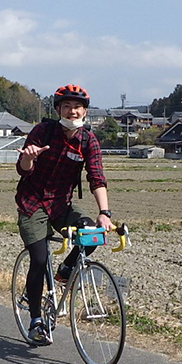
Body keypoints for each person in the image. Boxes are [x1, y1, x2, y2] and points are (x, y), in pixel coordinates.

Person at [15, 84, 112, 345]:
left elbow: (96, 177)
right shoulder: (43, 131)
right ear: (58, 109)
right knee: (38, 258)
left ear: (85, 112)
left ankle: (66, 269)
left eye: (77, 107)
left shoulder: (88, 141)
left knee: (92, 234)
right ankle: (36, 320)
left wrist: (104, 212)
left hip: (61, 205)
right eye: (66, 106)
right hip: (32, 203)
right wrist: (29, 158)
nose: (72, 111)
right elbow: (23, 170)